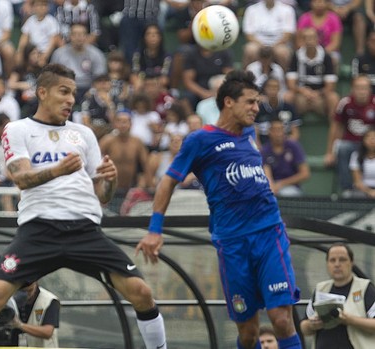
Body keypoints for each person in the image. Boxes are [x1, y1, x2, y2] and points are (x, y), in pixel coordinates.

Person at [0, 63, 167, 349]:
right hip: (39, 229)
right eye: (63, 91)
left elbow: (103, 196)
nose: (70, 99)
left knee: (141, 292)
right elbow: (20, 178)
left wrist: (110, 180)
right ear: (42, 92)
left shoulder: (84, 134)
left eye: (73, 93)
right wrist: (57, 170)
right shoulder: (18, 129)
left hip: (85, 230)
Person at [137, 70, 302, 349]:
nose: (255, 107)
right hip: (232, 243)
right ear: (228, 102)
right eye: (249, 102)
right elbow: (166, 183)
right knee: (248, 333)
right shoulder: (200, 140)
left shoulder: (250, 134)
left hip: (268, 233)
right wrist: (154, 230)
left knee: (282, 319)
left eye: (257, 101)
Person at [299, 243, 375, 348]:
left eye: (342, 260)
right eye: (332, 260)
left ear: (351, 263)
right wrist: (313, 324)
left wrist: (349, 320)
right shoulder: (320, 289)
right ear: (327, 264)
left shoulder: (365, 288)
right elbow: (303, 327)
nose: (337, 264)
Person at [325, 75, 375, 194]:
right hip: (351, 142)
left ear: (370, 90)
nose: (361, 91)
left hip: (372, 143)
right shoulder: (345, 103)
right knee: (342, 148)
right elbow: (336, 126)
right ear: (352, 89)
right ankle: (347, 190)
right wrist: (329, 152)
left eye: (364, 88)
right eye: (358, 88)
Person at [261, 119, 311, 197]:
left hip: (292, 187)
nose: (279, 133)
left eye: (281, 129)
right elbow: (267, 174)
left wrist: (281, 183)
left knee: (287, 193)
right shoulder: (265, 150)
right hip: (272, 188)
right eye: (275, 130)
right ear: (269, 132)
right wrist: (272, 187)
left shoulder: (293, 146)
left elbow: (305, 173)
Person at [10, 281, 60, 347]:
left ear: (35, 283)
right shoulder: (12, 299)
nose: (26, 294)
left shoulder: (49, 300)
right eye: (22, 291)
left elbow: (47, 332)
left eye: (29, 291)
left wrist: (20, 325)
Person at [349, 128, 375, 198]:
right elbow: (357, 181)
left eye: (374, 138)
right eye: (369, 137)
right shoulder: (356, 156)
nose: (372, 141)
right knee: (357, 195)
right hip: (363, 190)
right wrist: (370, 192)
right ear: (363, 140)